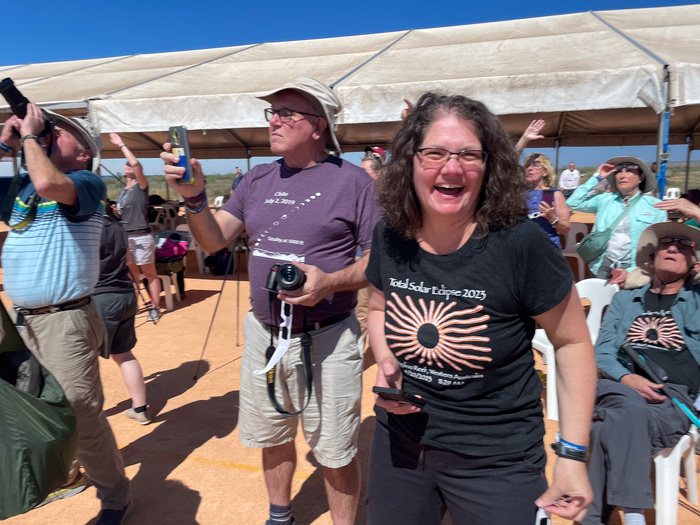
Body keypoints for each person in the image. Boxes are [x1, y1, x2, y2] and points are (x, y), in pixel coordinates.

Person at [365, 93, 597, 524]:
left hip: (497, 458)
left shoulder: (521, 244)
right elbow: (379, 307)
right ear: (410, 162)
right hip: (400, 444)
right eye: (434, 153)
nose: (451, 168)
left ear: (490, 166)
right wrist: (386, 359)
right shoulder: (390, 235)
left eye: (469, 155)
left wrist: (572, 454)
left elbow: (572, 343)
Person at [161, 76, 381, 525]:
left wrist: (330, 282)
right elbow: (214, 240)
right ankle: (279, 517)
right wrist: (194, 198)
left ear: (318, 125)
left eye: (286, 113)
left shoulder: (355, 182)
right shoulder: (257, 178)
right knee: (272, 434)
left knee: (336, 449)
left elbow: (378, 259)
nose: (273, 121)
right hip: (264, 334)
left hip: (329, 338)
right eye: (272, 112)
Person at [0, 104, 131, 523]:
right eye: (50, 129)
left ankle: (114, 498)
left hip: (64, 319)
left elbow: (47, 181)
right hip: (23, 319)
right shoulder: (23, 190)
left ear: (84, 152)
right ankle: (66, 472)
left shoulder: (86, 182)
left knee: (81, 414)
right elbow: (35, 180)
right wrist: (4, 145)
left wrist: (29, 137)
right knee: (35, 405)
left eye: (61, 132)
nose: (51, 133)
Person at [583, 221, 700, 525]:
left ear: (694, 264)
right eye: (665, 244)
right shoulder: (624, 300)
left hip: (672, 398)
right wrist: (626, 378)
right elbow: (603, 352)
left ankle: (591, 520)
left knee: (605, 429)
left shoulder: (697, 301)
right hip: (617, 386)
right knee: (628, 407)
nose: (672, 248)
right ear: (651, 258)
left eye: (683, 246)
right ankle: (635, 516)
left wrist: (694, 212)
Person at [567, 157, 667, 283]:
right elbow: (573, 202)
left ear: (641, 178)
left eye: (629, 170)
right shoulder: (604, 200)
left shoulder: (655, 207)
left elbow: (659, 245)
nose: (622, 175)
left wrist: (633, 271)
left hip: (636, 269)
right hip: (603, 265)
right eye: (619, 171)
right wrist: (597, 177)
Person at [95, 202, 151, 425]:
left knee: (85, 359)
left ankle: (89, 417)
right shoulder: (118, 226)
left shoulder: (85, 227)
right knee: (124, 354)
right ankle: (140, 408)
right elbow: (129, 261)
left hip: (100, 297)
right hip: (125, 293)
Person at [110, 132, 161, 323]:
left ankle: (155, 307)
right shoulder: (123, 191)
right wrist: (116, 213)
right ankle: (134, 306)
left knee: (150, 274)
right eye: (126, 164)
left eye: (130, 164)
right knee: (132, 276)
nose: (128, 165)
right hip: (126, 238)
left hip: (141, 237)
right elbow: (123, 215)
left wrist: (121, 144)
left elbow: (137, 165)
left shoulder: (141, 187)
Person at [523, 152, 572, 247]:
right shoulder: (517, 193)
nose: (529, 168)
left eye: (536, 165)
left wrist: (552, 218)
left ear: (545, 172)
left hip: (546, 248)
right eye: (527, 165)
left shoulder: (550, 194)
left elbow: (565, 229)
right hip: (521, 248)